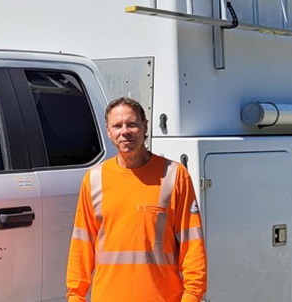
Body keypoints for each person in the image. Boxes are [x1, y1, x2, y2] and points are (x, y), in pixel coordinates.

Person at [66, 97, 207, 302]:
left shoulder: (174, 175)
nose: (125, 131)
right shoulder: (94, 179)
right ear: (108, 131)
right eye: (117, 125)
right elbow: (82, 244)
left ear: (145, 127)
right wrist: (75, 296)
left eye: (132, 124)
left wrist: (192, 296)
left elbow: (193, 244)